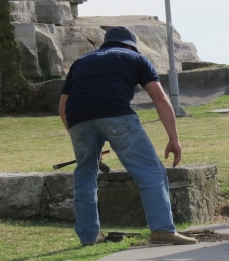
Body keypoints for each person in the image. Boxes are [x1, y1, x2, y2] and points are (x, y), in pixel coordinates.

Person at [58, 26, 197, 246]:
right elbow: (160, 99)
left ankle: (88, 237)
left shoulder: (81, 62)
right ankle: (162, 229)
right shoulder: (135, 58)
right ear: (131, 44)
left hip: (78, 120)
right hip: (116, 114)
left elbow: (63, 107)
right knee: (150, 171)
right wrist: (173, 138)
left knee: (85, 177)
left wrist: (81, 138)